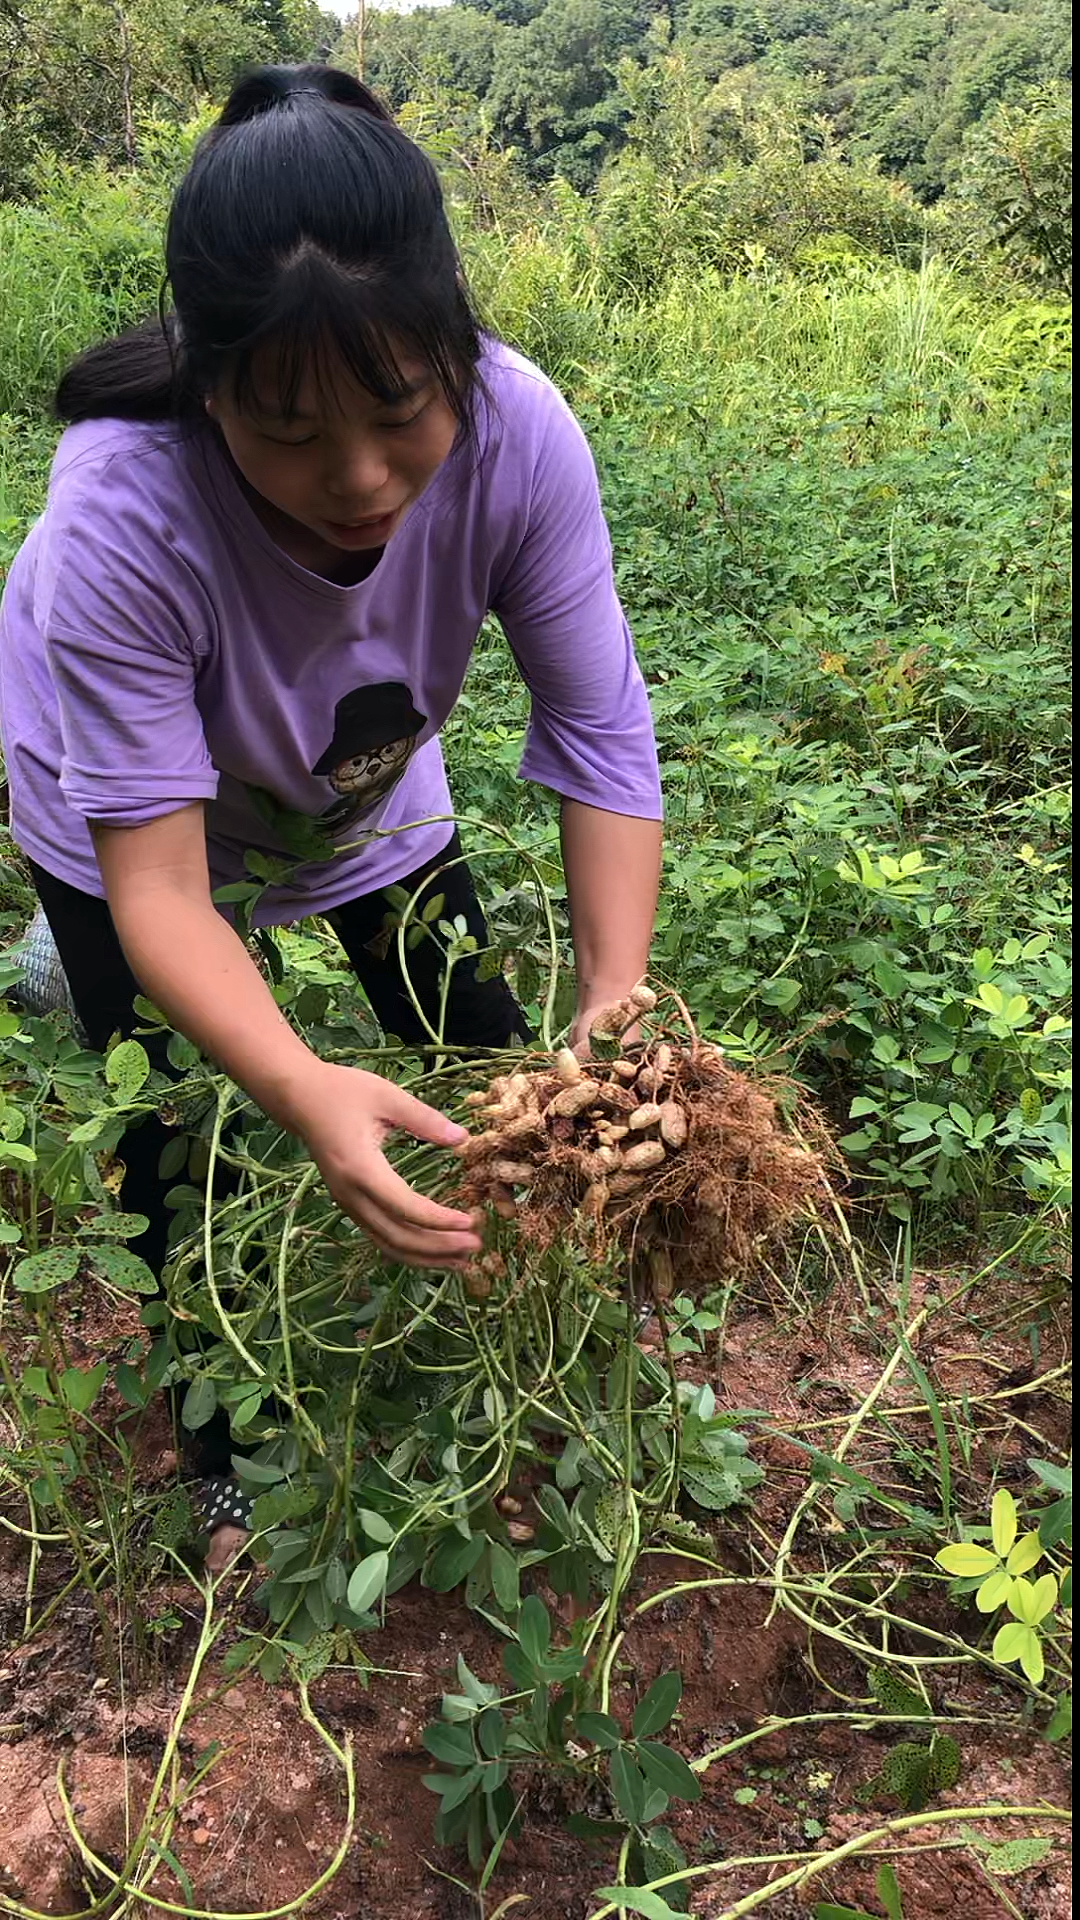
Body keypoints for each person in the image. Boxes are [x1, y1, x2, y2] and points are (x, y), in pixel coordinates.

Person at [0, 65, 663, 1561]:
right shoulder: (121, 514)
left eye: (398, 411)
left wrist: (618, 998)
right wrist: (300, 1088)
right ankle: (223, 1441)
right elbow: (163, 885)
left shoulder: (521, 435)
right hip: (126, 823)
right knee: (176, 1144)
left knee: (493, 1061)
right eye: (289, 431)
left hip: (359, 784)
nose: (359, 478)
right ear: (205, 382)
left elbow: (601, 727)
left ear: (453, 350)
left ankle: (526, 1351)